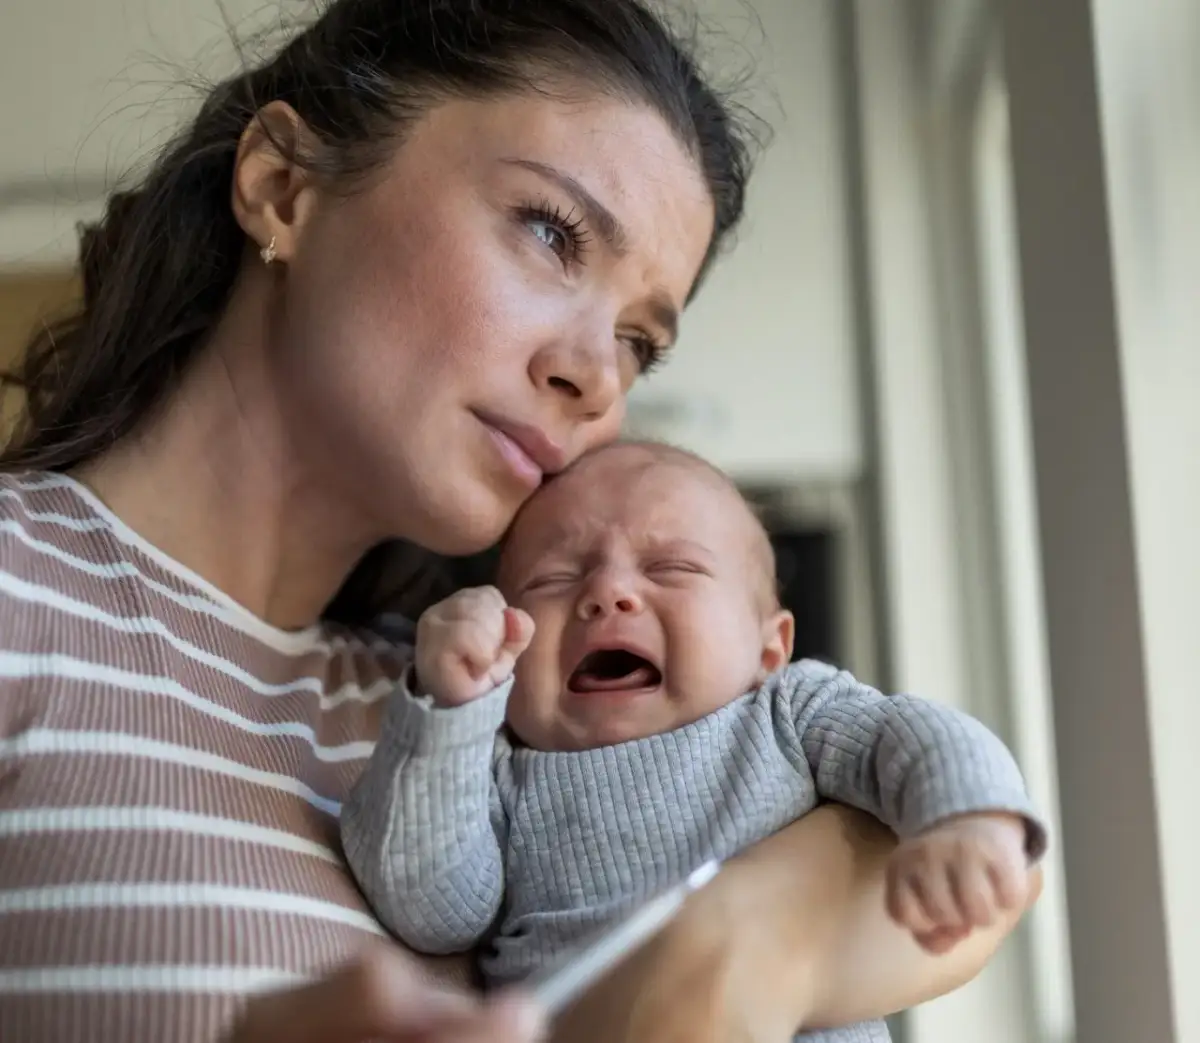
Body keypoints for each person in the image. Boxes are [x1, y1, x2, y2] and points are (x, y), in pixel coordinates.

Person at [0, 1, 1041, 1042]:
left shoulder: (490, 705)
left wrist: (737, 935)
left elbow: (967, 873)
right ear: (284, 185)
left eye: (641, 340)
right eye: (550, 231)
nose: (594, 377)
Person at [342, 441, 1047, 1042]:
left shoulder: (789, 713)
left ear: (771, 647)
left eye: (670, 568)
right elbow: (430, 906)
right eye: (554, 578)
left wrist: (964, 815)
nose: (608, 592)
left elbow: (913, 735)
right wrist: (448, 708)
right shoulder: (498, 769)